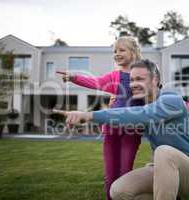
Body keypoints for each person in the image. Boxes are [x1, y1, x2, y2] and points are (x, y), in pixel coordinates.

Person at [54, 59, 189, 200]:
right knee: (118, 191)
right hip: (161, 170)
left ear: (155, 80)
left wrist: (90, 115)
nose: (133, 84)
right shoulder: (141, 106)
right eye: (132, 79)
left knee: (163, 151)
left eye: (140, 79)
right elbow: (124, 116)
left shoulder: (171, 100)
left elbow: (142, 115)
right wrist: (105, 107)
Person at [57, 36, 144, 200]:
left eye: (121, 50)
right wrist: (74, 77)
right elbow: (95, 82)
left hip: (132, 131)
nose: (117, 54)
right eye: (115, 51)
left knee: (125, 175)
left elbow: (157, 92)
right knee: (110, 176)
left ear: (133, 52)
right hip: (111, 130)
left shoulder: (142, 73)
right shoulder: (114, 76)